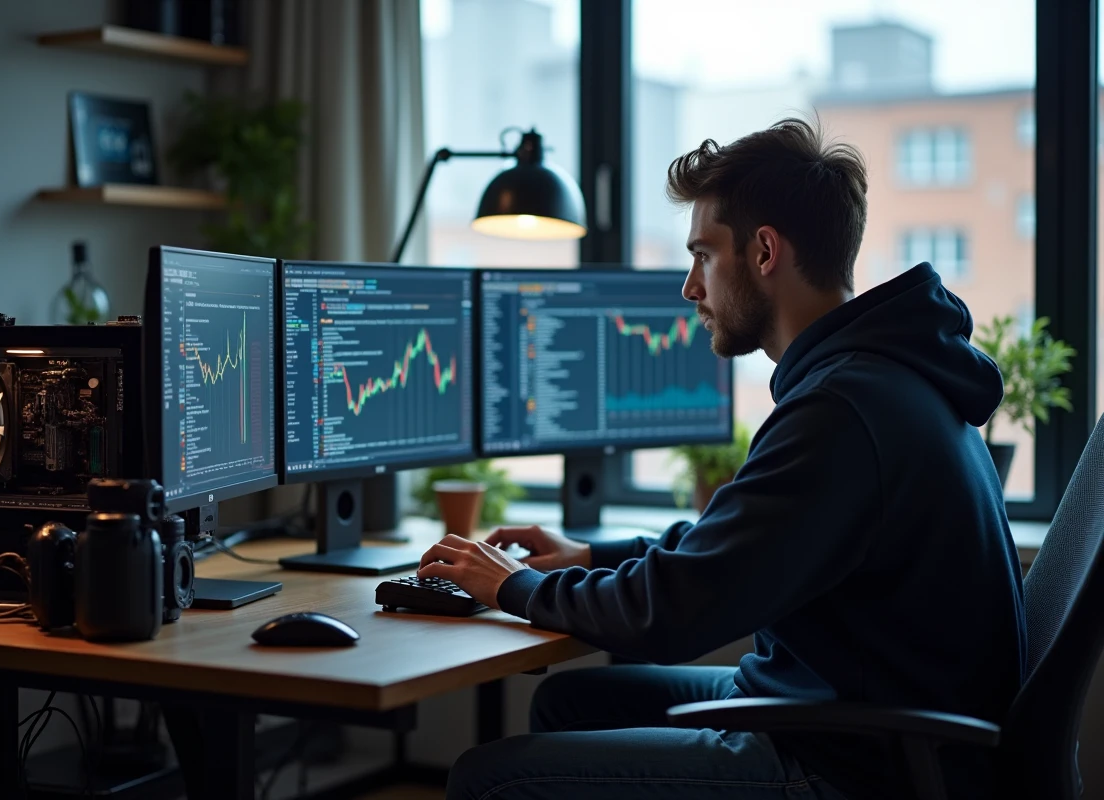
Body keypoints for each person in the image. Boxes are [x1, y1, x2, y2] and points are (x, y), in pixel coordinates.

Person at [418, 117, 1025, 800]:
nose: (689, 287)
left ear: (765, 252)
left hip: (854, 764)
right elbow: (739, 549)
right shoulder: (877, 376)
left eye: (703, 254)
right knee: (573, 704)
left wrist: (513, 586)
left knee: (485, 780)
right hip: (856, 717)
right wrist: (591, 556)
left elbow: (674, 614)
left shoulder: (842, 411)